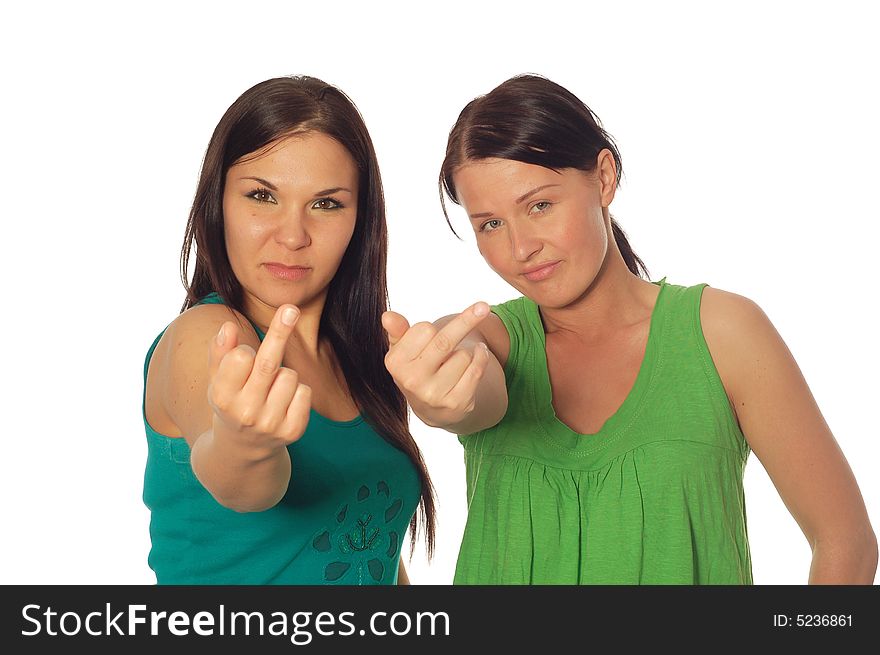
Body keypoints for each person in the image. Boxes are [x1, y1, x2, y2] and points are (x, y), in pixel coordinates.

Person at [382, 74, 877, 584]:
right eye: (490, 224)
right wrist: (438, 394)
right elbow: (465, 378)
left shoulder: (723, 334)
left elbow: (845, 542)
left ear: (603, 178)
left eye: (540, 206)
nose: (520, 247)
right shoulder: (492, 341)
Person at [142, 75, 435, 584]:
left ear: (359, 219)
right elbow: (242, 484)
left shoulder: (364, 359)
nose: (293, 235)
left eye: (326, 203)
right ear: (219, 202)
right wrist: (244, 444)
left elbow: (373, 554)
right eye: (262, 196)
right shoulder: (206, 337)